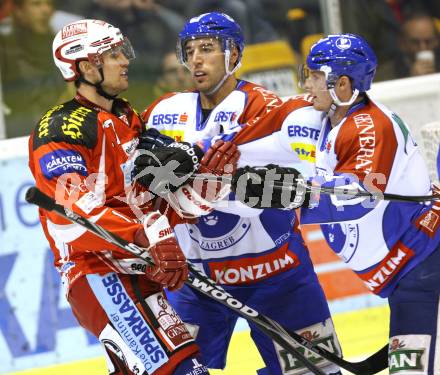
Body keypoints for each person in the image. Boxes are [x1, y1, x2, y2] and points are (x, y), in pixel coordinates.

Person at [134, 12, 342, 375]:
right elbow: (138, 182)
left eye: (208, 48)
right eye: (190, 50)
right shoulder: (163, 113)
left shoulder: (272, 110)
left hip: (277, 275)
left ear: (234, 54)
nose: (196, 58)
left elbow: (310, 180)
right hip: (197, 280)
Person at [232, 33, 440, 374]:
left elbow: (359, 195)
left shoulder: (369, 126)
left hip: (427, 267)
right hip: (408, 275)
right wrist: (203, 155)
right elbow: (256, 142)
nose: (307, 83)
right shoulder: (325, 119)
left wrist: (292, 192)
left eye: (315, 76)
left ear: (342, 84)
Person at [27, 18, 226, 375]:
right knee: (185, 369)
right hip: (98, 273)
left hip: (139, 269)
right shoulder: (61, 128)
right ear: (87, 66)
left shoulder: (125, 115)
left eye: (123, 51)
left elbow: (146, 194)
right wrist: (140, 236)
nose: (125, 60)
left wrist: (202, 187)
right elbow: (68, 212)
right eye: (114, 54)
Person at [0, 0, 70, 138]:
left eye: (49, 4)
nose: (45, 10)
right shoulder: (5, 50)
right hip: (19, 137)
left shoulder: (61, 47)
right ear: (19, 12)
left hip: (61, 133)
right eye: (36, 4)